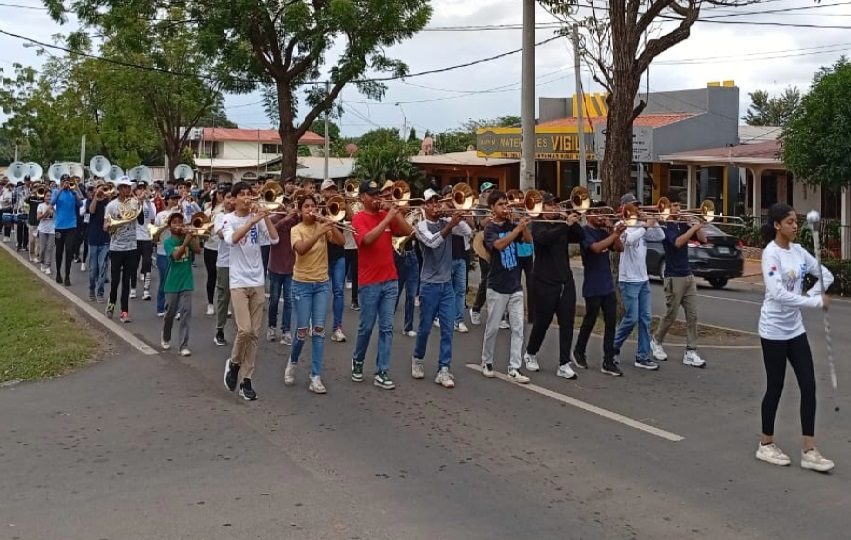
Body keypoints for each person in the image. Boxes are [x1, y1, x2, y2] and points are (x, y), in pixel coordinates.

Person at [755, 202, 835, 472]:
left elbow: (825, 274)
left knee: (809, 385)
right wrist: (812, 302)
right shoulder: (770, 254)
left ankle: (809, 450)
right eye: (790, 222)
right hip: (773, 330)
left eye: (796, 221)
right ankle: (765, 444)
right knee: (775, 387)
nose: (795, 225)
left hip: (795, 329)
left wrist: (813, 294)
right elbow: (777, 294)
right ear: (777, 225)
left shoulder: (800, 252)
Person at [350, 179, 413, 390]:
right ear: (362, 198)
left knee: (386, 328)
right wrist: (386, 219)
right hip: (369, 282)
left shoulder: (385, 214)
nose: (377, 198)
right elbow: (366, 240)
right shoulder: (358, 218)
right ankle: (358, 360)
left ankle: (382, 370)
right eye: (372, 195)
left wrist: (396, 212)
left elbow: (407, 231)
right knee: (366, 327)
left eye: (378, 194)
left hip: (390, 279)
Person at [222, 181, 280, 401]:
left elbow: (275, 239)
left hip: (257, 280)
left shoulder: (258, 217)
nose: (247, 198)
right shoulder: (228, 219)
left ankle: (246, 379)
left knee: (254, 334)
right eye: (242, 195)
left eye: (250, 194)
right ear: (234, 199)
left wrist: (264, 216)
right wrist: (251, 221)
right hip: (238, 281)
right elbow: (233, 239)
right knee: (244, 330)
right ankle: (235, 363)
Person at [284, 194, 344, 393]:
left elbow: (341, 241)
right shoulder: (296, 230)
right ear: (300, 210)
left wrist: (330, 224)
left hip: (321, 284)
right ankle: (293, 362)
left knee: (318, 330)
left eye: (313, 206)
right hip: (301, 284)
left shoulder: (323, 226)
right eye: (306, 206)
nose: (311, 209)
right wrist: (319, 232)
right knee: (301, 332)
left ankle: (315, 376)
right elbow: (300, 249)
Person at [522, 193, 583, 380]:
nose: (555, 208)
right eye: (550, 205)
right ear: (542, 208)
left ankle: (564, 363)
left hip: (565, 280)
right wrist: (565, 225)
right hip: (544, 281)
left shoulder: (562, 224)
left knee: (568, 322)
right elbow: (544, 239)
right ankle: (530, 352)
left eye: (556, 205)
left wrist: (574, 219)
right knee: (543, 322)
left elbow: (580, 236)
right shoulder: (537, 224)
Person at [411, 189, 461, 388]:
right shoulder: (420, 226)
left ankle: (444, 369)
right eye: (431, 203)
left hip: (446, 283)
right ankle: (417, 357)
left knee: (448, 328)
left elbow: (466, 232)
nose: (435, 206)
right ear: (424, 206)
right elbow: (432, 243)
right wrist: (450, 224)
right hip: (430, 284)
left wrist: (457, 215)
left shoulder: (445, 221)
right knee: (424, 328)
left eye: (437, 202)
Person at [480, 190, 532, 383]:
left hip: (515, 284)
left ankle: (514, 367)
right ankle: (486, 361)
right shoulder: (490, 228)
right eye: (501, 204)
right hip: (497, 285)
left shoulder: (512, 224)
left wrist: (523, 225)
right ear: (492, 208)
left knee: (518, 328)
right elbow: (499, 245)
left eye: (506, 204)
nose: (505, 207)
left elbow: (528, 241)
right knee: (492, 328)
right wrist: (516, 230)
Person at [649, 198, 707, 367]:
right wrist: (693, 228)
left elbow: (702, 240)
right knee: (671, 314)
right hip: (673, 276)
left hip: (688, 275)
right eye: (675, 205)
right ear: (667, 207)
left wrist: (698, 224)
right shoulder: (665, 226)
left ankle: (691, 351)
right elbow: (677, 243)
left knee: (693, 315)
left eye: (680, 205)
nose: (678, 208)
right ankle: (656, 341)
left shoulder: (683, 223)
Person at [612, 193, 665, 370]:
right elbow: (627, 241)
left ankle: (642, 356)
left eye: (638, 205)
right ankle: (613, 347)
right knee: (631, 318)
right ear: (624, 208)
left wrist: (653, 221)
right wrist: (644, 227)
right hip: (628, 280)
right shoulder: (620, 226)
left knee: (646, 318)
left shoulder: (642, 225)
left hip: (643, 279)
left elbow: (660, 236)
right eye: (634, 205)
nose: (638, 208)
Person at [574, 202, 625, 376]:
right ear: (588, 215)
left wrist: (613, 232)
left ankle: (608, 361)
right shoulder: (585, 232)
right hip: (593, 284)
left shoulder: (604, 232)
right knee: (590, 320)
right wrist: (614, 234)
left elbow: (619, 248)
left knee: (611, 322)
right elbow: (596, 248)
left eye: (600, 212)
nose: (600, 216)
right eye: (595, 212)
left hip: (607, 285)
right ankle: (579, 351)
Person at [160, 213, 201, 356]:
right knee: (170, 313)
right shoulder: (167, 242)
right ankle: (166, 336)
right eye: (175, 222)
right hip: (172, 282)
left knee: (186, 313)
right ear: (169, 226)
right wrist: (185, 243)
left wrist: (192, 236)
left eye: (180, 222)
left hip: (186, 281)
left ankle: (184, 345)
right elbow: (175, 256)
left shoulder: (187, 237)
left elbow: (198, 250)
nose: (178, 225)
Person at [104, 177, 142, 323]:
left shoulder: (134, 204)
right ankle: (111, 304)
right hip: (116, 247)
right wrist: (112, 226)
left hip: (131, 247)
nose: (127, 190)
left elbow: (141, 221)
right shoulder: (111, 206)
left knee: (127, 281)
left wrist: (140, 204)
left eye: (129, 187)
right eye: (124, 187)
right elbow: (105, 226)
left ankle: (124, 311)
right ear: (119, 189)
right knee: (115, 281)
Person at [267, 199, 300, 346]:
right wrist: (286, 218)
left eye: (293, 205)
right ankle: (271, 326)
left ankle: (286, 330)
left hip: (291, 267)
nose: (291, 208)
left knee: (289, 300)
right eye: (288, 205)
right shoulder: (274, 218)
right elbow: (271, 234)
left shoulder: (296, 220)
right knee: (274, 300)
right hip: (275, 266)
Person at [320, 179, 349, 342]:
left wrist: (346, 202)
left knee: (338, 291)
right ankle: (317, 323)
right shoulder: (317, 208)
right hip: (321, 255)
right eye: (328, 190)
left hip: (338, 255)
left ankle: (337, 327)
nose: (331, 192)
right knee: (321, 291)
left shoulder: (340, 206)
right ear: (322, 193)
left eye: (333, 190)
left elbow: (352, 217)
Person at [469, 181, 495, 326]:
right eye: (489, 190)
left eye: (493, 190)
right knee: (486, 279)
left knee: (499, 280)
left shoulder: (496, 205)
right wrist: (492, 214)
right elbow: (480, 224)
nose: (491, 192)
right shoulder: (479, 208)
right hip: (483, 245)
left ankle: (500, 315)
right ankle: (476, 309)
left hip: (497, 243)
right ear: (483, 193)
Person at [153, 190, 181, 317]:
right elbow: (155, 232)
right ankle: (161, 306)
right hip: (162, 251)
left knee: (176, 280)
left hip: (176, 250)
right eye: (173, 198)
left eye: (177, 199)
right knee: (164, 279)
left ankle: (175, 308)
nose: (175, 201)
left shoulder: (179, 214)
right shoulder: (160, 215)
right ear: (167, 200)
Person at [51, 174, 83, 286]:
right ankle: (58, 273)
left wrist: (75, 192)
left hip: (71, 226)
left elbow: (81, 203)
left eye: (68, 181)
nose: (66, 183)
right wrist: (60, 189)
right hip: (59, 226)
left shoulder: (72, 193)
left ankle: (67, 276)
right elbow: (52, 202)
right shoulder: (56, 191)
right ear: (60, 182)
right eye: (64, 181)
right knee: (59, 251)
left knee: (69, 250)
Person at [212, 189, 235, 346]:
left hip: (242, 264)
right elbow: (221, 234)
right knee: (223, 297)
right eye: (228, 197)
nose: (231, 200)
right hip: (225, 262)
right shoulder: (220, 216)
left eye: (234, 197)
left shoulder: (246, 215)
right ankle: (219, 330)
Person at [130, 184, 156, 301]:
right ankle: (133, 288)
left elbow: (152, 217)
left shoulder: (150, 204)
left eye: (143, 189)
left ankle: (146, 290)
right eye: (139, 189)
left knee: (147, 264)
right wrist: (139, 201)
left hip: (147, 238)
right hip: (135, 238)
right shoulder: (132, 202)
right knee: (133, 265)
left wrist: (148, 201)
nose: (142, 191)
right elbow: (131, 216)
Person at [203, 189, 227, 315]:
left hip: (224, 247)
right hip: (210, 246)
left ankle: (224, 304)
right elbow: (201, 223)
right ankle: (210, 303)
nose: (221, 196)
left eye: (224, 194)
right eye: (219, 193)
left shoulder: (230, 210)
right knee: (212, 276)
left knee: (224, 278)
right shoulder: (209, 209)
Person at [86, 185, 112, 303]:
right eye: (100, 188)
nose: (102, 191)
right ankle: (92, 289)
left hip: (105, 239)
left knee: (103, 267)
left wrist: (108, 197)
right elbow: (91, 210)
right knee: (93, 269)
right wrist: (96, 197)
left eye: (104, 188)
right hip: (93, 239)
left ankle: (100, 292)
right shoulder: (90, 200)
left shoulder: (108, 202)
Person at [36, 191, 55, 275]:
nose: (49, 198)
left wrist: (53, 210)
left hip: (52, 230)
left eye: (50, 196)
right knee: (43, 248)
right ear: (44, 197)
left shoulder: (55, 206)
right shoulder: (40, 206)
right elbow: (39, 218)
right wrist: (46, 212)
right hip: (42, 229)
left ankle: (48, 266)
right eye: (47, 196)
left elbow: (57, 217)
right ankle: (42, 263)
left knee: (49, 248)